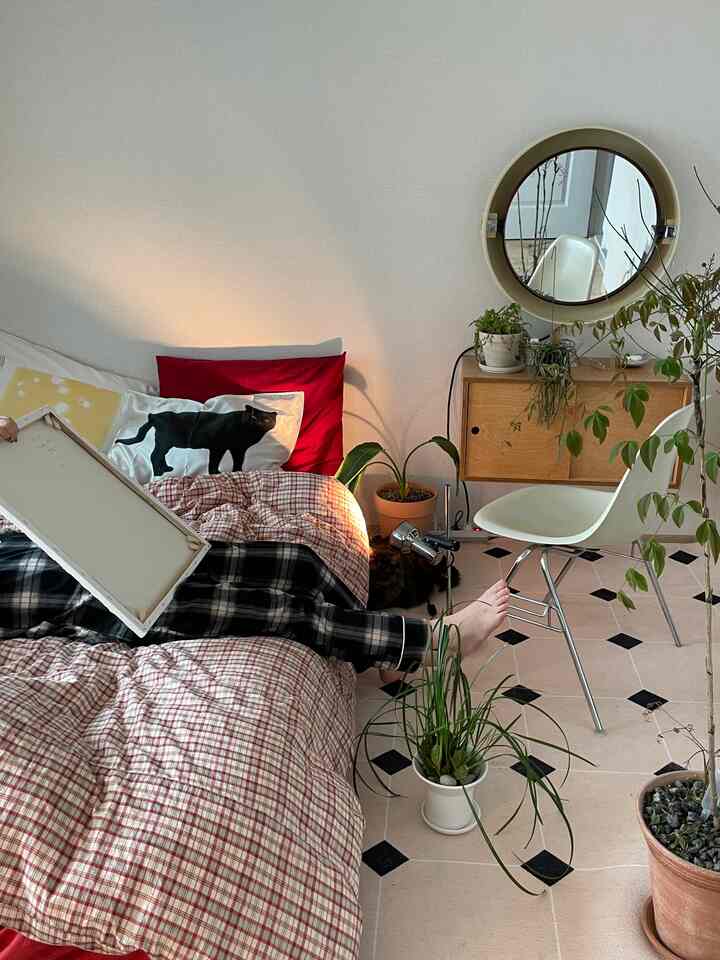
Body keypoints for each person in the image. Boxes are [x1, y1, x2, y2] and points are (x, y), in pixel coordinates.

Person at [0, 416, 510, 673]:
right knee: (264, 611)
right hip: (30, 587)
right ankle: (428, 645)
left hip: (40, 544)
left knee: (296, 562)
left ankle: (364, 655)